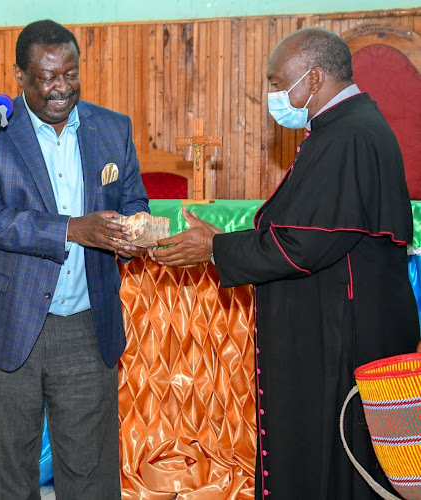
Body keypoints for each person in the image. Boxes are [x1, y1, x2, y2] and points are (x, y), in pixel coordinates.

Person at [148, 27, 420, 499]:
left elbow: (304, 246)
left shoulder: (349, 136)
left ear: (313, 78)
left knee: (335, 466)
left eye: (278, 82)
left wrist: (214, 249)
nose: (274, 95)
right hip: (329, 322)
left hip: (341, 337)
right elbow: (302, 230)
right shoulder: (341, 128)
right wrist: (222, 240)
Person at [0, 19, 149, 499]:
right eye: (46, 76)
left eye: (70, 73)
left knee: (91, 473)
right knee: (9, 472)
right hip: (7, 322)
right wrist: (70, 228)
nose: (60, 87)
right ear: (19, 76)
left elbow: (134, 201)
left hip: (87, 323)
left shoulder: (112, 128)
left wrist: (134, 231)